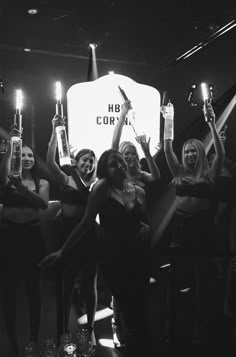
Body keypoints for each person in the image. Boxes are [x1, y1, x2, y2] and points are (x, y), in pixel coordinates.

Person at [39, 149, 152, 357]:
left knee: (141, 310)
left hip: (138, 258)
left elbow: (141, 223)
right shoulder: (102, 188)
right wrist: (63, 250)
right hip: (114, 259)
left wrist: (146, 228)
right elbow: (86, 222)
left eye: (121, 161)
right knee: (128, 309)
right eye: (113, 163)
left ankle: (139, 348)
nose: (119, 165)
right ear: (105, 170)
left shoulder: (140, 192)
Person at [162, 101, 225, 344]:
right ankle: (179, 325)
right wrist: (169, 118)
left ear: (200, 153)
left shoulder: (210, 175)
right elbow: (168, 148)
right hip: (180, 231)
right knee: (181, 280)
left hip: (203, 231)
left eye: (193, 151)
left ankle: (204, 327)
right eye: (186, 151)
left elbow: (220, 154)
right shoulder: (178, 172)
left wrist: (211, 122)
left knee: (204, 280)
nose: (189, 154)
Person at [111, 99, 161, 348]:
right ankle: (118, 326)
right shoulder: (116, 178)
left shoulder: (142, 175)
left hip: (142, 233)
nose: (129, 157)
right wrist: (121, 116)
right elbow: (112, 145)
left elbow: (158, 177)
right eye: (126, 154)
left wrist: (147, 151)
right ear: (120, 158)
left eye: (133, 154)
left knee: (140, 285)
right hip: (122, 236)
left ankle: (139, 329)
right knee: (122, 287)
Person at [45, 114, 98, 346]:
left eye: (91, 161)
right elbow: (49, 162)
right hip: (66, 235)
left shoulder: (96, 185)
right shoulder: (66, 179)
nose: (88, 164)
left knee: (89, 286)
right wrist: (55, 132)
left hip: (89, 238)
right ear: (76, 161)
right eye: (84, 160)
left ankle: (91, 328)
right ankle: (63, 330)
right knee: (66, 285)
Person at [0, 127, 49, 356]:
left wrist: (22, 188)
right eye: (24, 154)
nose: (28, 159)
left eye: (31, 156)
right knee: (8, 291)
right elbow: (2, 183)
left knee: (33, 291)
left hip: (31, 238)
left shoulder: (42, 183)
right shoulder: (7, 180)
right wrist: (12, 144)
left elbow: (43, 204)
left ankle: (33, 337)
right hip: (9, 238)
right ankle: (11, 340)